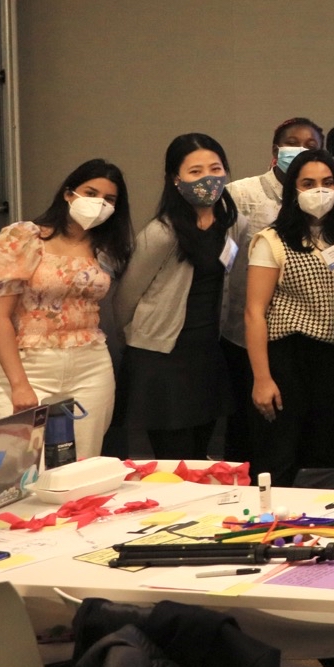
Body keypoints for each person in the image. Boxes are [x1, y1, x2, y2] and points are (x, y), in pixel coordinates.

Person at [113, 137, 232, 460]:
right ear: (176, 180)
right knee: (173, 460)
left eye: (215, 169)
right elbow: (125, 299)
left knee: (204, 456)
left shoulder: (231, 227)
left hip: (207, 354)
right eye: (196, 171)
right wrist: (142, 338)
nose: (208, 178)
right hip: (162, 359)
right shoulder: (162, 233)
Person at [242, 151, 334, 482]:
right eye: (308, 184)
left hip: (333, 360)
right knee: (281, 454)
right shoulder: (272, 240)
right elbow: (253, 313)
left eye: (327, 182)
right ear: (293, 190)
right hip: (288, 357)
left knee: (321, 458)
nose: (319, 191)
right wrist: (262, 379)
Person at [220, 119, 319, 464]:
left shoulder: (321, 199)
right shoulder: (238, 193)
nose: (301, 150)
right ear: (275, 151)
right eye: (293, 143)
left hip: (297, 337)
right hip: (240, 330)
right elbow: (223, 258)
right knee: (247, 432)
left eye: (311, 144)